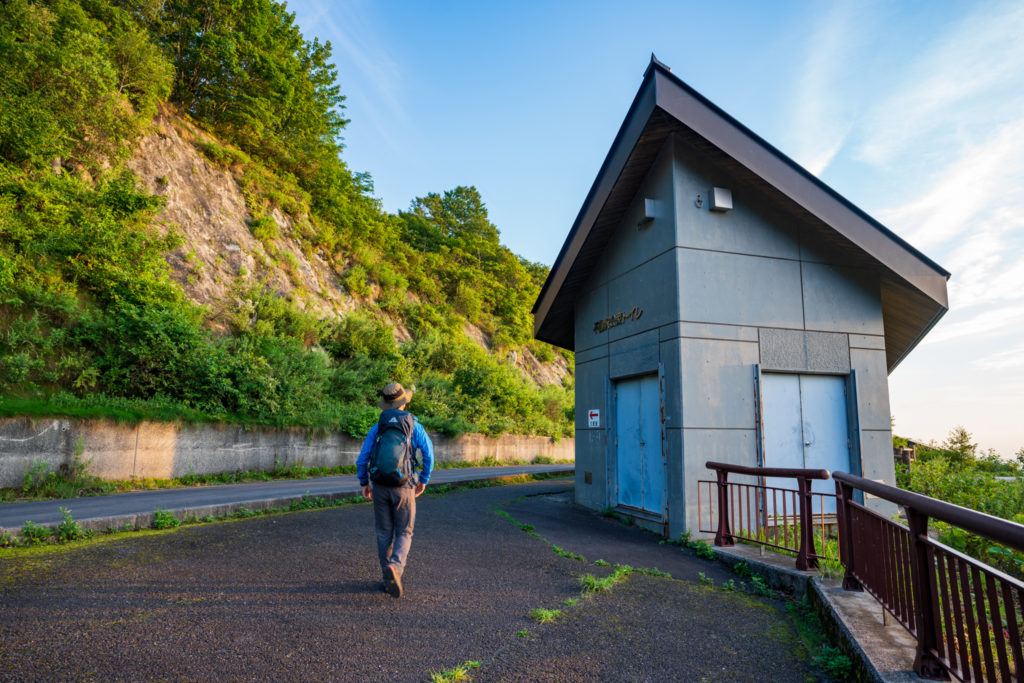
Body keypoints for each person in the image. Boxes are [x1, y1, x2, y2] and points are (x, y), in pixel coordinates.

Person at [356, 382, 433, 598]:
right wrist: (423, 479)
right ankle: (396, 568)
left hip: (379, 486)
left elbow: (362, 459)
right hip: (404, 487)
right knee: (405, 531)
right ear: (403, 402)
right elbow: (429, 455)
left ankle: (386, 578)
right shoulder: (413, 425)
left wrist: (364, 483)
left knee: (383, 532)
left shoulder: (378, 427)